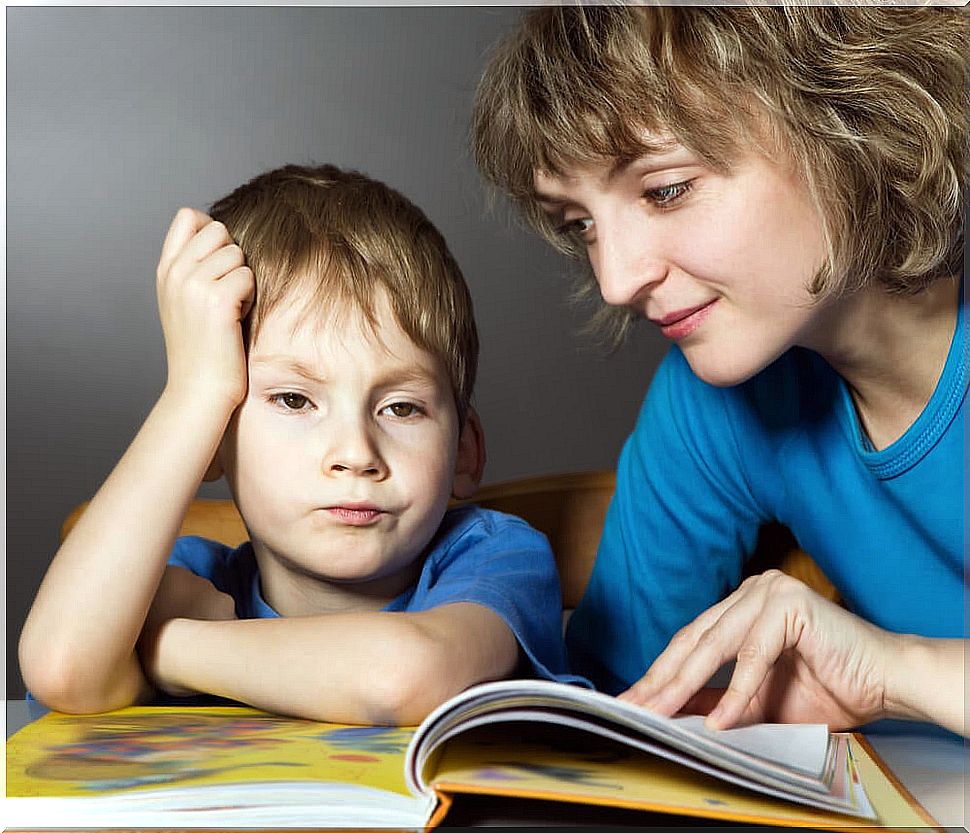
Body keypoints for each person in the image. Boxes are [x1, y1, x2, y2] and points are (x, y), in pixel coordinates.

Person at [472, 6, 967, 737]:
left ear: (847, 116)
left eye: (666, 188)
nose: (615, 278)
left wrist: (895, 671)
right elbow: (618, 704)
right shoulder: (713, 404)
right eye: (582, 223)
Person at [19, 163, 585, 725]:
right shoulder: (192, 579)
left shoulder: (495, 559)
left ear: (464, 451)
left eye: (401, 407)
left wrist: (170, 649)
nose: (356, 454)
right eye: (295, 400)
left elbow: (402, 677)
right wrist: (194, 392)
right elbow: (63, 667)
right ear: (211, 437)